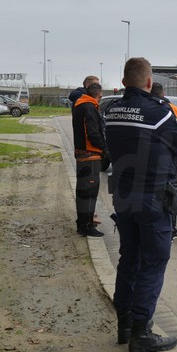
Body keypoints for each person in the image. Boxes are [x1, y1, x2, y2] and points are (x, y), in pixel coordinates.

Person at [105, 57, 177, 352]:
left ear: (124, 80)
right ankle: (142, 333)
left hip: (124, 197)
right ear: (149, 82)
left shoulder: (111, 110)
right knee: (153, 262)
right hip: (153, 199)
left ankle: (124, 325)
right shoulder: (159, 112)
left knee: (129, 259)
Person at [150, 82, 177, 240]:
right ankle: (171, 229)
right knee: (171, 193)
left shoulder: (145, 108)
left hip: (146, 161)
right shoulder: (173, 110)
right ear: (163, 92)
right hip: (170, 160)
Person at [71, 82, 105, 237]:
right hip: (90, 154)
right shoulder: (89, 107)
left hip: (82, 153)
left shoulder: (79, 105)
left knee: (83, 192)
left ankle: (83, 223)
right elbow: (92, 132)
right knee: (89, 192)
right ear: (98, 95)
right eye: (100, 97)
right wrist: (104, 149)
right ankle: (86, 226)